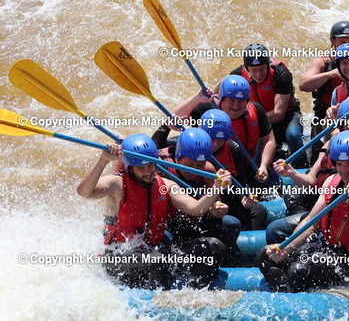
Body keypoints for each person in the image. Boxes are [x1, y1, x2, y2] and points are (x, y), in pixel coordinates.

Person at [77, 133, 231, 290]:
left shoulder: (166, 185)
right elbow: (84, 192)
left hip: (155, 252)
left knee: (213, 246)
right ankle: (161, 299)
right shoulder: (116, 184)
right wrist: (103, 160)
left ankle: (194, 293)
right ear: (130, 167)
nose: (147, 172)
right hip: (119, 256)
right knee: (156, 259)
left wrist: (217, 187)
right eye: (141, 168)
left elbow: (195, 209)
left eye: (150, 165)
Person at [258, 130, 349, 293]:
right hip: (331, 251)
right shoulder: (332, 181)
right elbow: (311, 222)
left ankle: (297, 299)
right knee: (266, 256)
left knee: (300, 270)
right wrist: (286, 248)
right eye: (339, 164)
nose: (344, 170)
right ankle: (285, 296)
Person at [172, 75, 278, 187]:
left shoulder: (256, 110)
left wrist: (263, 165)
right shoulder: (207, 110)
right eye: (231, 100)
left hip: (245, 163)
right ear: (221, 98)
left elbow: (268, 139)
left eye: (241, 101)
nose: (236, 105)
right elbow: (173, 119)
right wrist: (197, 98)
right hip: (208, 170)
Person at [156, 128, 241, 258]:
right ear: (178, 156)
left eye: (199, 165)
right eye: (189, 164)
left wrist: (216, 211)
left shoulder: (208, 170)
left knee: (231, 223)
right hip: (167, 225)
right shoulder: (161, 167)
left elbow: (213, 206)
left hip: (193, 222)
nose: (193, 170)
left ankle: (225, 261)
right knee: (164, 237)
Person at [217, 43, 306, 168]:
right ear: (246, 68)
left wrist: (252, 122)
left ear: (268, 65)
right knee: (254, 152)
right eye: (254, 70)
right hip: (260, 121)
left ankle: (301, 167)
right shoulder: (237, 74)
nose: (259, 74)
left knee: (293, 135)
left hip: (286, 116)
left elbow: (279, 113)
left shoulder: (280, 74)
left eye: (262, 69)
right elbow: (216, 95)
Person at [199, 108, 267, 231]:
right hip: (200, 200)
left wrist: (244, 197)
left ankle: (248, 240)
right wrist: (166, 127)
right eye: (212, 139)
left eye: (220, 139)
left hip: (225, 199)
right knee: (228, 222)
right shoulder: (187, 146)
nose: (215, 144)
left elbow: (241, 180)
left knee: (259, 210)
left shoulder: (233, 148)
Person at [299, 21, 349, 139]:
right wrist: (330, 74)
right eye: (342, 42)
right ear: (332, 41)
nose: (346, 47)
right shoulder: (323, 62)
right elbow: (303, 85)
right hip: (325, 117)